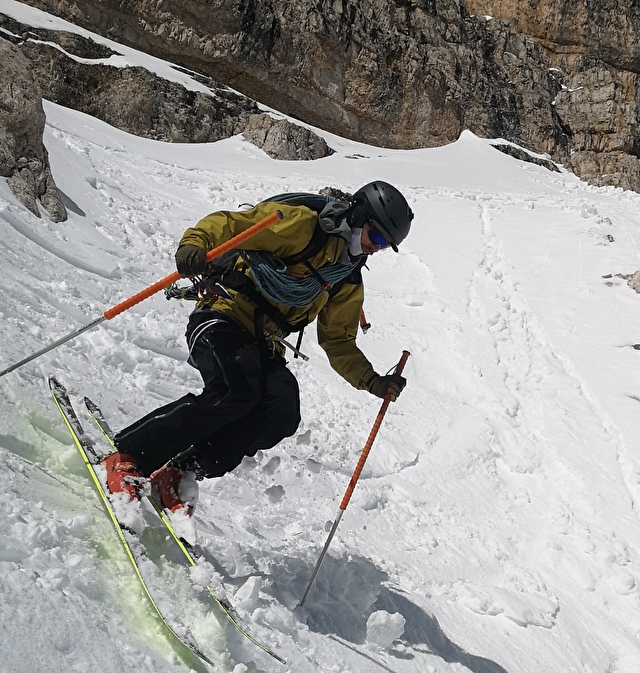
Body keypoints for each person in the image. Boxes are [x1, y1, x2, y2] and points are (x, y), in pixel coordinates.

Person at [101, 181, 414, 532]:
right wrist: (196, 243)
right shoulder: (303, 227)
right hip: (223, 314)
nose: (376, 248)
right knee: (236, 389)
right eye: (377, 236)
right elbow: (233, 225)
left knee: (282, 411)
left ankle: (181, 472)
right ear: (358, 216)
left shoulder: (346, 278)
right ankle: (129, 456)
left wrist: (372, 381)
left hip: (264, 340)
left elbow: (338, 340)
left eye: (385, 245)